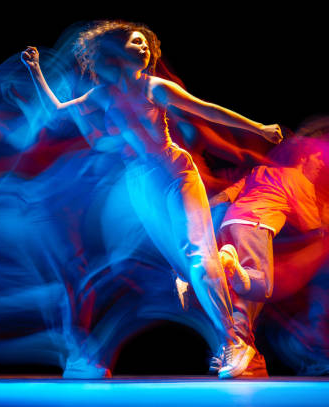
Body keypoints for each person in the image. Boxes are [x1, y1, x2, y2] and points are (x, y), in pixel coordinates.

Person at [20, 20, 282, 378]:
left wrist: (258, 128)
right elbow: (57, 112)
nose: (143, 47)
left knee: (196, 257)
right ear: (113, 50)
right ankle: (227, 281)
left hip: (176, 174)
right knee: (181, 268)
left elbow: (208, 110)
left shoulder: (155, 87)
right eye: (135, 41)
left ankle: (236, 345)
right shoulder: (102, 96)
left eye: (146, 44)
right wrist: (35, 70)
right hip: (141, 183)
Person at [209, 136, 329, 375]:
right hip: (255, 224)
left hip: (229, 224)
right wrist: (327, 216)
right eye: (319, 158)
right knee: (262, 285)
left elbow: (224, 197)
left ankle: (227, 350)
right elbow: (313, 230)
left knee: (244, 298)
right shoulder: (299, 180)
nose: (322, 165)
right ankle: (231, 263)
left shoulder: (259, 172)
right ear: (303, 158)